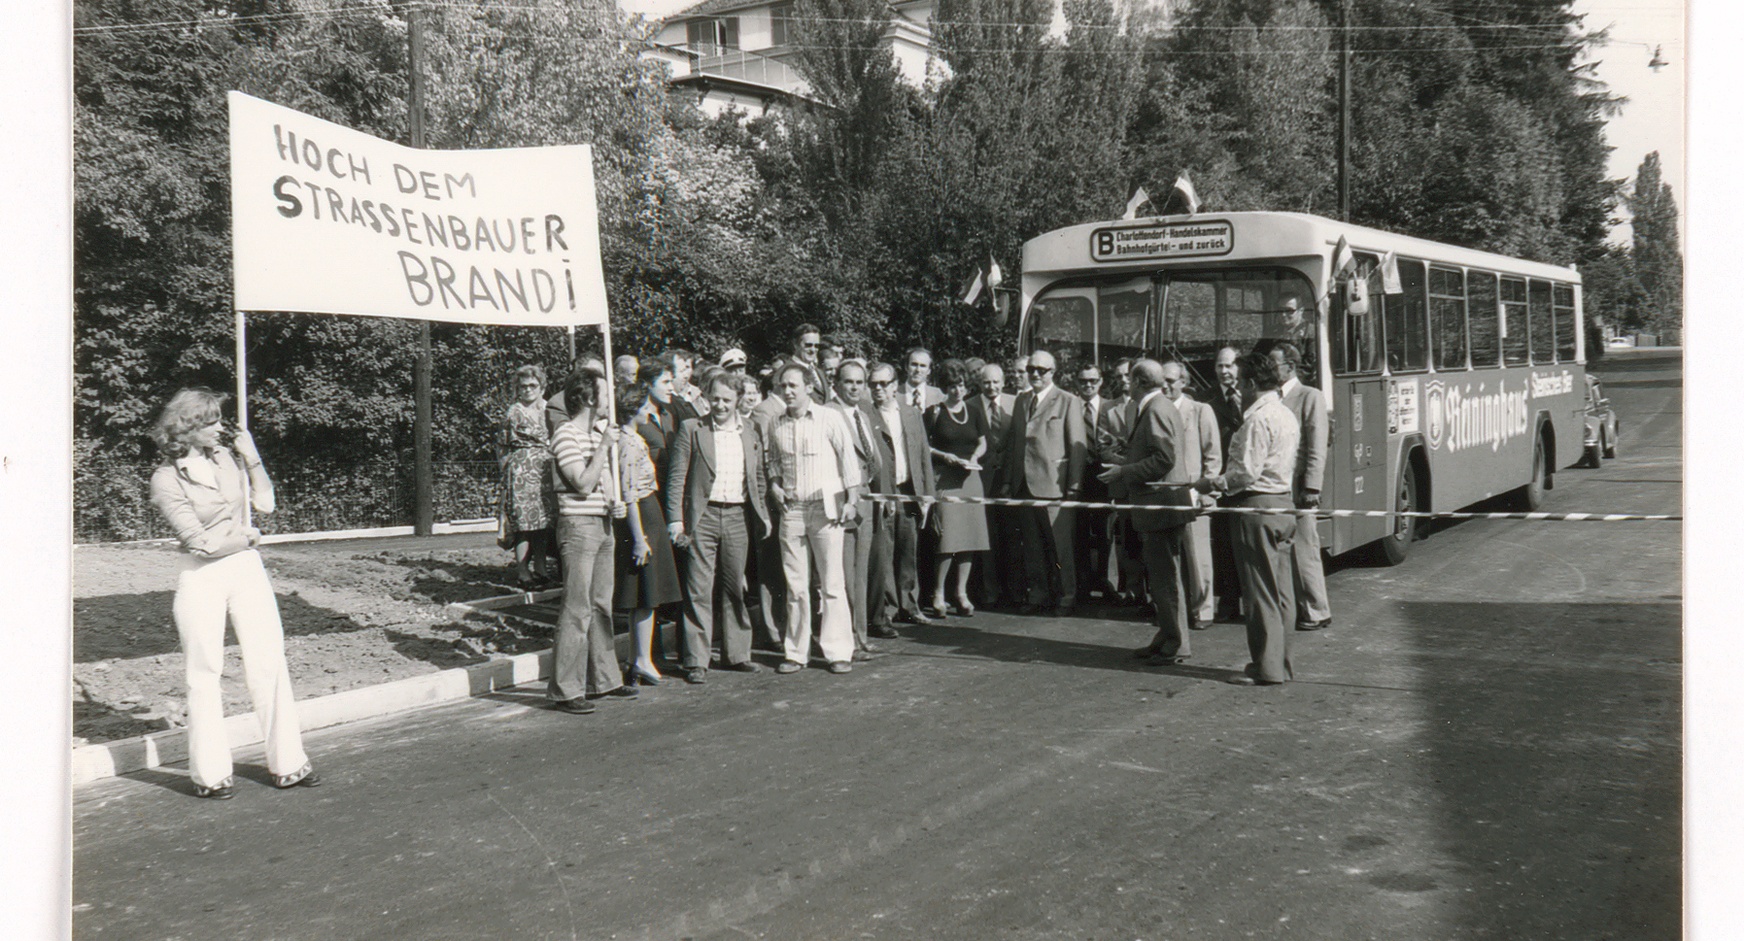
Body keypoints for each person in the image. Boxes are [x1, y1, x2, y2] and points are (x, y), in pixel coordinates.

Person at [148, 389, 319, 799]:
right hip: (201, 577)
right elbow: (198, 544)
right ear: (187, 428)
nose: (220, 427)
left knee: (268, 660)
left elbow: (266, 503)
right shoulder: (166, 478)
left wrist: (252, 455)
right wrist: (246, 540)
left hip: (246, 570)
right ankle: (209, 774)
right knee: (204, 671)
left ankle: (288, 764)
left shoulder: (226, 459)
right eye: (211, 421)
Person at [1194, 353, 1300, 686]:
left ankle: (1266, 669)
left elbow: (1244, 473)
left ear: (1252, 384)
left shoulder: (1257, 420)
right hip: (1283, 504)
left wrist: (1212, 483)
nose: (1238, 387)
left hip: (1256, 508)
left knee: (1259, 593)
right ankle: (1282, 663)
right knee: (1282, 593)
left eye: (1241, 382)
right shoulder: (1286, 415)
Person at [665, 374, 769, 683]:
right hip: (703, 516)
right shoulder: (692, 429)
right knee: (698, 589)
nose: (720, 405)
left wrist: (763, 512)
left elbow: (758, 476)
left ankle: (737, 654)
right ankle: (696, 659)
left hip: (737, 515)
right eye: (715, 399)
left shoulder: (751, 430)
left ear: (738, 400)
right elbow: (676, 478)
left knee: (734, 586)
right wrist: (676, 520)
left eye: (727, 399)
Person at [548, 367, 637, 713]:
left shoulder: (601, 432)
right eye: (604, 392)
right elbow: (582, 483)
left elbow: (603, 482)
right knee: (577, 607)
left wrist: (614, 502)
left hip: (602, 526)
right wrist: (603, 446)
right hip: (578, 526)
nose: (609, 400)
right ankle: (566, 689)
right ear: (588, 398)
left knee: (601, 603)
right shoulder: (565, 435)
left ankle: (604, 679)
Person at [764, 364, 862, 674]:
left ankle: (837, 652)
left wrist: (852, 500)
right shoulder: (775, 424)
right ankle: (796, 653)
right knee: (796, 586)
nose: (787, 391)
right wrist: (775, 484)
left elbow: (849, 460)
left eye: (793, 385)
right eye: (783, 386)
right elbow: (773, 462)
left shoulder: (829, 418)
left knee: (832, 583)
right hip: (792, 511)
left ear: (809, 387)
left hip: (825, 510)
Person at [1099, 360, 1195, 666]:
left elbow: (1164, 459)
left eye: (1130, 379)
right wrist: (1125, 450)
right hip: (1159, 504)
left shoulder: (1155, 409)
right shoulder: (1157, 407)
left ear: (1139, 381)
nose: (1126, 383)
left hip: (1161, 504)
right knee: (1162, 576)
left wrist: (1123, 471)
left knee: (1166, 578)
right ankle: (1168, 636)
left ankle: (1176, 643)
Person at [997, 349, 1087, 616]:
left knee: (1061, 548)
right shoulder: (1021, 400)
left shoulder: (1068, 401)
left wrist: (1074, 487)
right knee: (1032, 547)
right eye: (1031, 369)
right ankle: (1038, 594)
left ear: (1053, 373)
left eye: (1042, 370)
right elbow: (1015, 443)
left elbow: (1077, 447)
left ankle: (1066, 596)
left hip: (1055, 487)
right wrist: (1007, 482)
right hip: (1024, 485)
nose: (1035, 374)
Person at [615, 385, 684, 686]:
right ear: (634, 409)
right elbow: (629, 494)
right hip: (643, 515)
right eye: (645, 406)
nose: (649, 411)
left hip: (647, 513)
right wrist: (640, 537)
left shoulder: (630, 438)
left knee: (644, 595)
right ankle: (641, 659)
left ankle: (638, 658)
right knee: (646, 595)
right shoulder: (629, 443)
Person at [868, 361, 938, 629]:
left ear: (894, 385)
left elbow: (923, 455)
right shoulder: (866, 414)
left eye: (883, 384)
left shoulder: (910, 414)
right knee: (884, 551)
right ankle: (888, 608)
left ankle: (909, 604)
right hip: (884, 492)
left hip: (909, 490)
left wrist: (927, 494)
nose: (878, 389)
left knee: (908, 550)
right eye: (872, 384)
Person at [830, 361, 890, 657]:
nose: (854, 387)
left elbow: (875, 459)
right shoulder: (828, 413)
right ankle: (848, 640)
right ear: (836, 383)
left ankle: (861, 635)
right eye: (848, 382)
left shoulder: (863, 414)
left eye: (859, 382)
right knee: (843, 575)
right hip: (841, 501)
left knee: (860, 572)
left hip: (865, 498)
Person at [1272, 341, 1332, 632]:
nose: (1271, 371)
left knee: (1305, 546)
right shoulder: (1271, 397)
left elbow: (1316, 446)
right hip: (1277, 485)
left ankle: (1317, 609)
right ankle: (1295, 607)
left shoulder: (1310, 397)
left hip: (1299, 487)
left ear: (1290, 366)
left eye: (1275, 365)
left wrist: (1312, 487)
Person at [923, 359, 991, 616]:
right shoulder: (934, 412)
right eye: (952, 386)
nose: (957, 390)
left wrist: (974, 457)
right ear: (944, 387)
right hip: (946, 481)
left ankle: (961, 593)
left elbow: (983, 442)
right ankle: (938, 593)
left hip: (971, 481)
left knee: (970, 539)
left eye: (961, 385)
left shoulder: (974, 411)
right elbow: (923, 446)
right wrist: (944, 456)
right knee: (947, 541)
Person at [1160, 360, 1222, 629]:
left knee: (1197, 555)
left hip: (1194, 493)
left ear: (1183, 382)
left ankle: (1204, 610)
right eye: (1162, 380)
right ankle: (1178, 610)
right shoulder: (1155, 411)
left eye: (1171, 381)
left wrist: (1209, 491)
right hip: (1163, 495)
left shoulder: (1199, 410)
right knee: (1170, 556)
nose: (1165, 385)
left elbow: (1213, 454)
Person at [500, 364, 557, 590]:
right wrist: (505, 472)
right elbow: (503, 445)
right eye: (523, 386)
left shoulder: (548, 408)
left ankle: (541, 569)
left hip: (544, 468)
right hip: (522, 469)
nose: (527, 390)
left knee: (542, 522)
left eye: (532, 385)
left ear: (541, 387)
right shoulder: (513, 412)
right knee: (524, 523)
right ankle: (523, 572)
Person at [969, 363, 1019, 607]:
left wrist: (1010, 478)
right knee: (985, 537)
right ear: (980, 382)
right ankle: (989, 591)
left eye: (996, 382)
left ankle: (1012, 591)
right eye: (987, 382)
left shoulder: (1015, 403)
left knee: (1010, 538)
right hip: (981, 480)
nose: (991, 386)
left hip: (1010, 479)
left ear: (1003, 382)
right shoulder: (970, 406)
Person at [1206, 346, 1247, 623]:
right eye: (1220, 366)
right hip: (1221, 479)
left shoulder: (1254, 398)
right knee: (1223, 544)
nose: (1225, 371)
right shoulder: (1206, 400)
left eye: (1230, 365)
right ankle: (1229, 602)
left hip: (1248, 479)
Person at [1074, 362, 1118, 605]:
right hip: (1079, 479)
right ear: (1076, 383)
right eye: (1083, 381)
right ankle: (1083, 584)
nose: (1088, 385)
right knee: (1080, 533)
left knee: (1105, 533)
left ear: (1100, 382)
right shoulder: (1072, 407)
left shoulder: (1111, 408)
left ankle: (1104, 581)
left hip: (1105, 479)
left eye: (1092, 381)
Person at [789, 324, 828, 395]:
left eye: (816, 346)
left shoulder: (819, 372)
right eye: (808, 345)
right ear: (795, 344)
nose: (813, 350)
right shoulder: (786, 371)